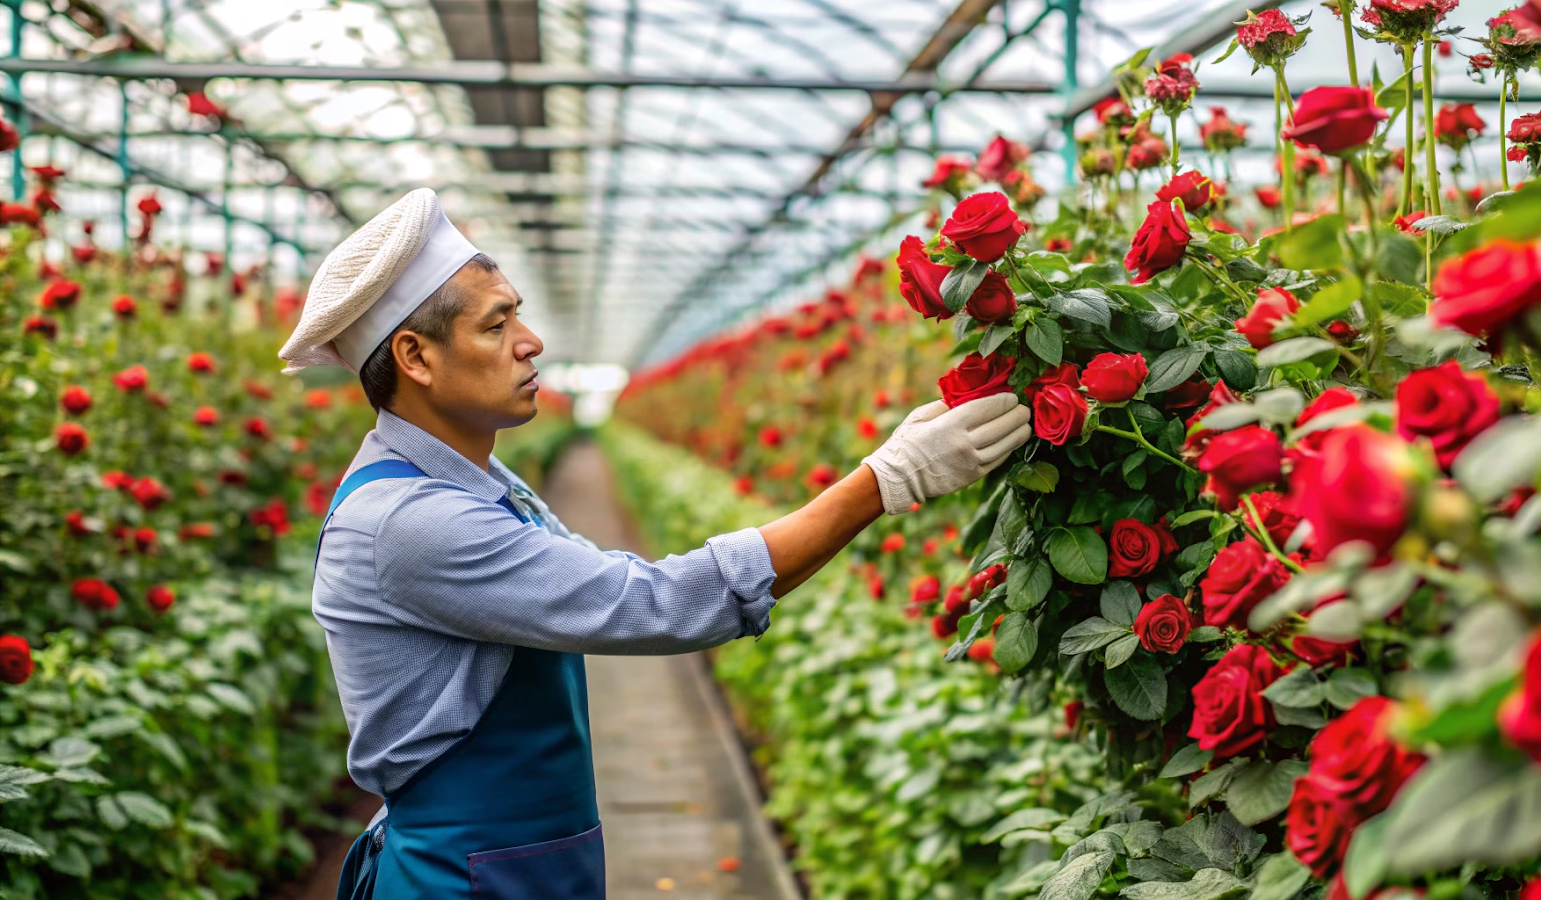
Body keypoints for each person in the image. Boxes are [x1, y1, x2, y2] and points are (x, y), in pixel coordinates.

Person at [277, 189, 1032, 900]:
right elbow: (652, 601)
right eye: (497, 325)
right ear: (414, 357)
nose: (531, 343)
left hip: (520, 860)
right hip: (468, 877)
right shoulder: (413, 521)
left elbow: (611, 575)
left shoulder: (473, 479)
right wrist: (884, 481)